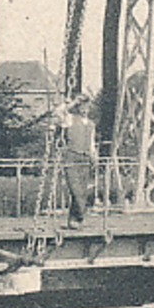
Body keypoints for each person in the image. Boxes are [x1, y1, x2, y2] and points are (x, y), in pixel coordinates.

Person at [59, 97, 97, 227]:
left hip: (85, 158)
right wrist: (73, 102)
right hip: (72, 156)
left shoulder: (91, 125)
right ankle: (81, 217)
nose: (84, 109)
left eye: (87, 106)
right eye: (82, 107)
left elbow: (91, 143)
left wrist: (94, 157)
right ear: (78, 108)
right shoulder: (71, 119)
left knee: (82, 190)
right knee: (75, 189)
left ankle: (73, 219)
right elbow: (58, 112)